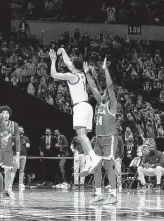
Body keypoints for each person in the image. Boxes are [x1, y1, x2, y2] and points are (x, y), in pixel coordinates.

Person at [49, 48, 101, 177]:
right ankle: (90, 161)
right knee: (83, 137)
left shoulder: (71, 75)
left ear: (73, 65)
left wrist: (53, 60)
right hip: (87, 106)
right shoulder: (81, 74)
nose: (69, 63)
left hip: (80, 107)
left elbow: (53, 74)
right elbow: (67, 61)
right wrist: (62, 50)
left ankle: (94, 158)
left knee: (81, 136)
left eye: (71, 62)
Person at [84, 58, 118, 205]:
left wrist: (105, 69)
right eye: (102, 93)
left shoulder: (112, 106)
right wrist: (87, 74)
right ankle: (98, 194)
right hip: (98, 139)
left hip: (109, 139)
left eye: (104, 93)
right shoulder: (100, 103)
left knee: (108, 167)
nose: (102, 93)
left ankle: (113, 195)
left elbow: (110, 86)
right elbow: (92, 87)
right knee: (96, 167)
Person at [0, 105, 20, 196]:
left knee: (7, 172)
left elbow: (18, 141)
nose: (5, 115)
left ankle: (7, 190)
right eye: (3, 113)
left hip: (8, 152)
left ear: (9, 114)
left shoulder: (14, 125)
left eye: (7, 113)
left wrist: (18, 157)